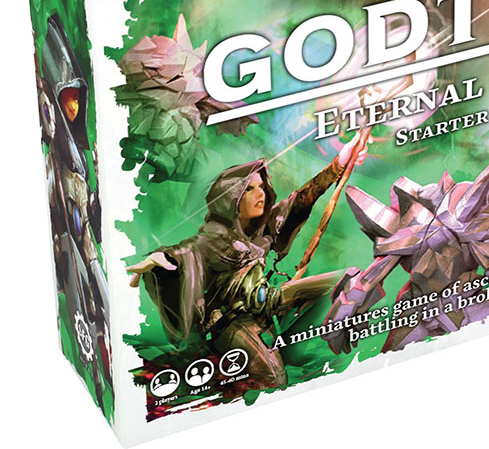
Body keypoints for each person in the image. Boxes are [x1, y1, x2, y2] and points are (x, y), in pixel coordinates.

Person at [127, 135, 366, 387]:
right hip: (231, 324)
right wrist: (160, 258)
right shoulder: (213, 238)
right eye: (249, 189)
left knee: (345, 280)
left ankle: (323, 336)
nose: (260, 194)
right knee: (274, 377)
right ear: (230, 199)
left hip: (267, 304)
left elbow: (300, 200)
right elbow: (186, 252)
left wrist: (338, 165)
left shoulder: (261, 230)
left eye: (261, 186)